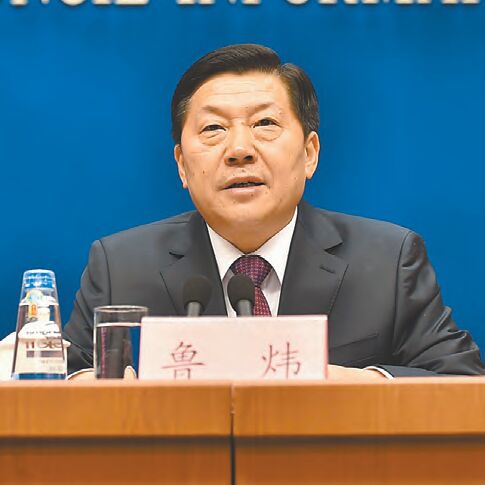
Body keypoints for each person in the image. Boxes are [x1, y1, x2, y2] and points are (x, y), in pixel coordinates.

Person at [63, 44, 484, 378]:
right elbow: (59, 380)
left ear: (310, 153)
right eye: (213, 128)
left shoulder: (388, 261)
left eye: (264, 124)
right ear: (182, 166)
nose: (239, 150)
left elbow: (461, 381)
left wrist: (361, 383)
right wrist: (89, 389)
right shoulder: (119, 267)